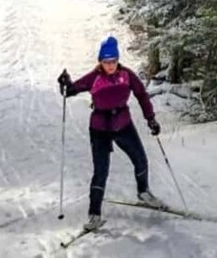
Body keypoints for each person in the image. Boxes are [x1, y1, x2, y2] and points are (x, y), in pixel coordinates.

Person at [57, 36, 164, 231]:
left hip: (123, 124)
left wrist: (151, 118)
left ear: (117, 60)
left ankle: (143, 192)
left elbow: (141, 94)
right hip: (99, 129)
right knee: (101, 171)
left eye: (113, 61)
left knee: (140, 159)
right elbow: (71, 90)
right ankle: (94, 214)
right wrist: (65, 83)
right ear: (100, 61)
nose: (110, 65)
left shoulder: (127, 75)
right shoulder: (94, 77)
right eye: (106, 62)